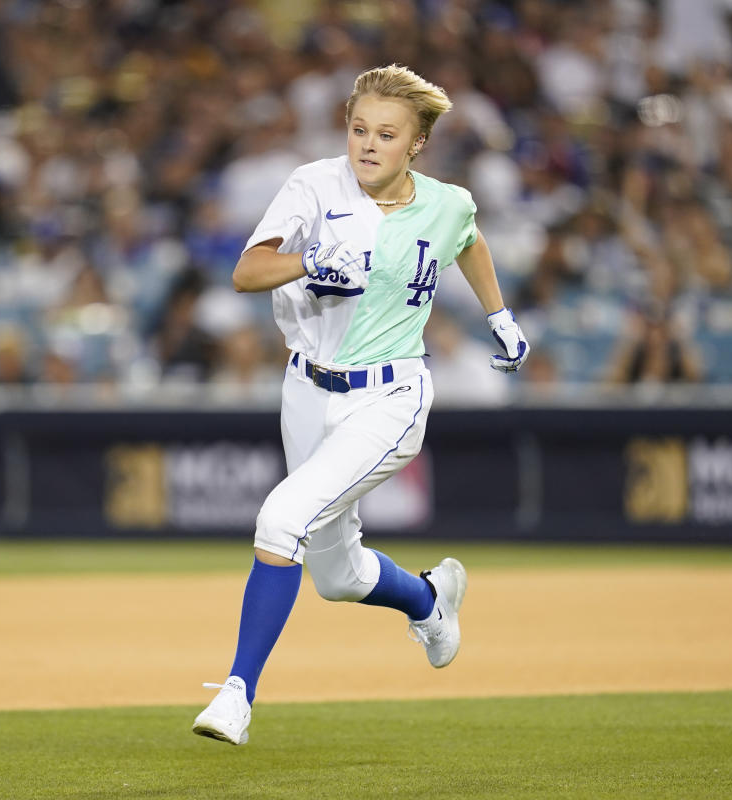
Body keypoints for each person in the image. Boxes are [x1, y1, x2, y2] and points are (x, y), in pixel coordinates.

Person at [192, 65, 529, 746]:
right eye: (358, 128)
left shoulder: (446, 202)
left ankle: (236, 694)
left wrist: (500, 316)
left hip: (390, 397)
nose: (367, 145)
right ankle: (430, 600)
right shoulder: (315, 185)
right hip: (307, 388)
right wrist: (310, 259)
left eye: (386, 133)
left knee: (281, 515)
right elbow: (246, 272)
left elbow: (468, 238)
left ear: (417, 144)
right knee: (336, 575)